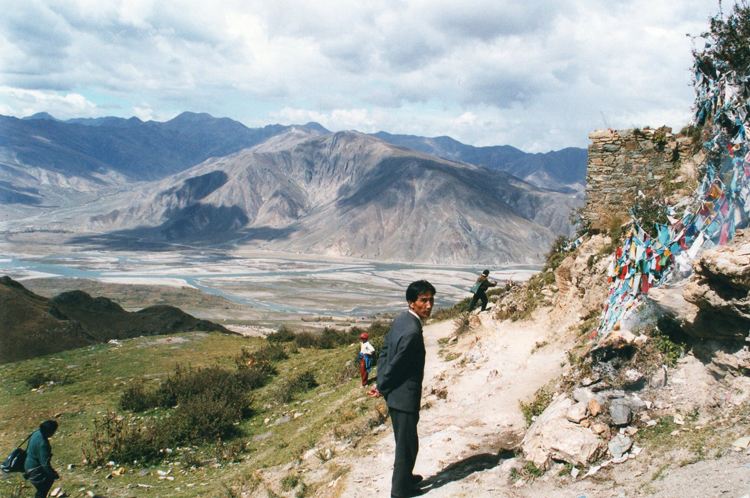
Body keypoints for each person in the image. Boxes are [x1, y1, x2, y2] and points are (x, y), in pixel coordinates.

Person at [377, 280, 435, 498]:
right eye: (423, 300)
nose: (429, 305)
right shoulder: (412, 331)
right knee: (407, 445)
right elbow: (398, 364)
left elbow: (385, 349)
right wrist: (381, 386)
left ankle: (406, 477)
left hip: (395, 395)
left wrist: (381, 381)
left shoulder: (401, 320)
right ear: (412, 303)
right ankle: (399, 491)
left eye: (431, 300)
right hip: (404, 396)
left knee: (405, 440)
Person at [24, 420, 60, 498]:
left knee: (41, 490)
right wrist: (53, 474)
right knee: (43, 489)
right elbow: (45, 464)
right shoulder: (43, 444)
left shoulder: (36, 433)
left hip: (27, 464)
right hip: (35, 469)